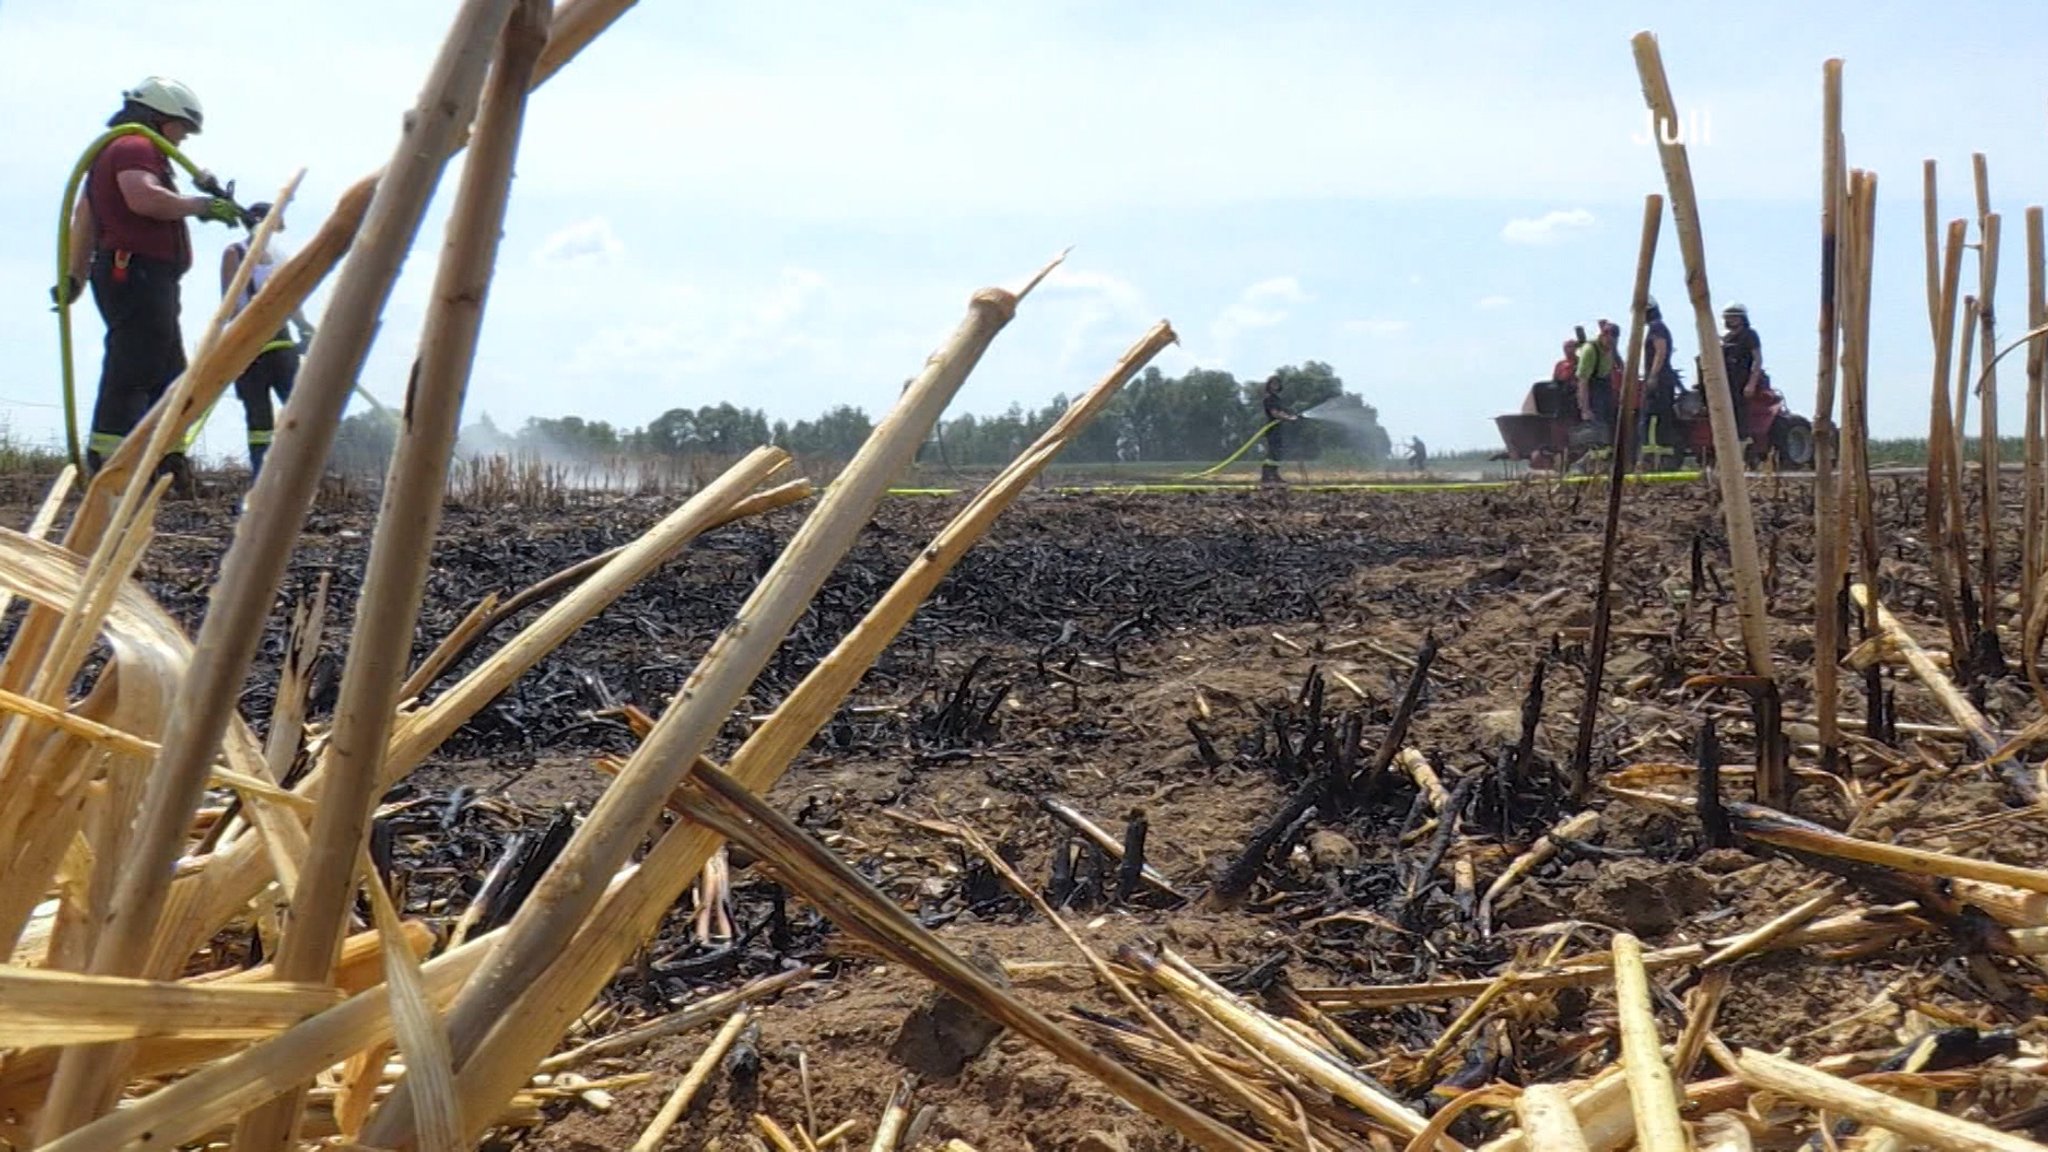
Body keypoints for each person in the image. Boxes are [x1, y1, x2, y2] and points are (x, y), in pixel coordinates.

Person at [56, 77, 241, 485]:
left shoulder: (116, 154)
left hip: (141, 275)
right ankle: (108, 464)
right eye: (183, 128)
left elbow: (85, 219)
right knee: (134, 366)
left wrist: (75, 275)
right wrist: (201, 205)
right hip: (135, 271)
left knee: (170, 371)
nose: (185, 139)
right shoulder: (133, 147)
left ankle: (167, 462)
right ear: (160, 118)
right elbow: (144, 198)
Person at [221, 202, 316, 482]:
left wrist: (304, 328)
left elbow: (292, 300)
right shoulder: (235, 253)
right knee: (258, 415)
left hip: (281, 341)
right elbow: (228, 306)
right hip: (247, 343)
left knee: (298, 406)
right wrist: (256, 317)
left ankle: (298, 474)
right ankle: (262, 476)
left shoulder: (279, 257)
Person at [1640, 297, 1683, 451]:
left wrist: (1652, 375)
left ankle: (1652, 450)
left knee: (1652, 415)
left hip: (1660, 380)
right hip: (1662, 378)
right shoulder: (1657, 327)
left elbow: (1661, 351)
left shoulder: (1656, 328)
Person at [1573, 320, 1621, 427]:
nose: (1611, 346)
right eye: (1609, 342)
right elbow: (1582, 382)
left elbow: (1619, 363)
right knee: (1597, 423)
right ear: (1603, 335)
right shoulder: (1590, 350)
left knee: (1610, 420)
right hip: (1591, 389)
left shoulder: (1612, 347)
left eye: (1614, 342)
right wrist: (1585, 410)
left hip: (1605, 386)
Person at [1720, 302, 1765, 407]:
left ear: (1742, 318)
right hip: (1726, 379)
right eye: (1729, 317)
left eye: (1735, 316)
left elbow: (1757, 360)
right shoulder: (1724, 338)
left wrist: (1751, 384)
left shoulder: (1749, 334)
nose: (1732, 319)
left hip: (1742, 379)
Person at [1259, 374, 1299, 484]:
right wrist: (1289, 418)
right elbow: (1275, 413)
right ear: (1269, 385)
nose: (1275, 385)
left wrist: (1289, 415)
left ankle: (1274, 475)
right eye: (1273, 383)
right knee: (1272, 453)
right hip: (1272, 429)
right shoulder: (1269, 398)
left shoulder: (1277, 399)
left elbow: (1280, 411)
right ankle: (1266, 476)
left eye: (1277, 383)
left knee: (1277, 453)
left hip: (1278, 428)